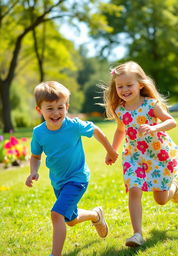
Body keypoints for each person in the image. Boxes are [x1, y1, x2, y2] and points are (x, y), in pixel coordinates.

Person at [103, 61, 178, 247]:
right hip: (134, 157)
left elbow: (171, 122)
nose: (124, 89)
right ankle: (137, 234)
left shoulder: (151, 104)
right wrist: (112, 151)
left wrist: (155, 127)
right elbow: (121, 131)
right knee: (134, 190)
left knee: (160, 200)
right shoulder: (120, 110)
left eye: (129, 85)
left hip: (157, 155)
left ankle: (173, 188)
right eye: (120, 86)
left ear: (140, 84)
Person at [25, 81, 118, 256]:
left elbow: (96, 130)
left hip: (77, 179)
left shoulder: (73, 125)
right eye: (50, 108)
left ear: (67, 107)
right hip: (58, 182)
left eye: (60, 107)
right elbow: (36, 156)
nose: (56, 113)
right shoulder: (39, 132)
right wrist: (33, 171)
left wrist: (111, 151)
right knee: (71, 220)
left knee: (56, 214)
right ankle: (95, 215)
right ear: (39, 110)